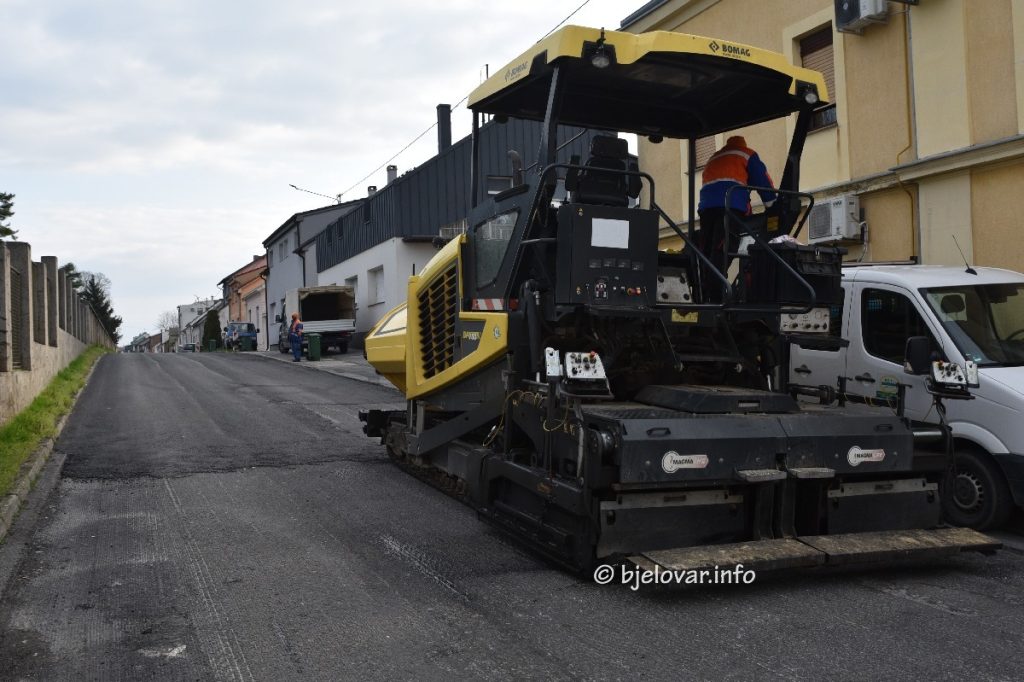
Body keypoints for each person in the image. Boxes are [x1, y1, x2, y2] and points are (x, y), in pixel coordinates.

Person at [696, 135, 777, 302]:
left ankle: (703, 292)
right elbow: (763, 181)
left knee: (708, 251)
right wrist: (773, 207)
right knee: (724, 248)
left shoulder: (714, 157)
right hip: (729, 206)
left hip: (706, 209)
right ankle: (716, 299)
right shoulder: (747, 154)